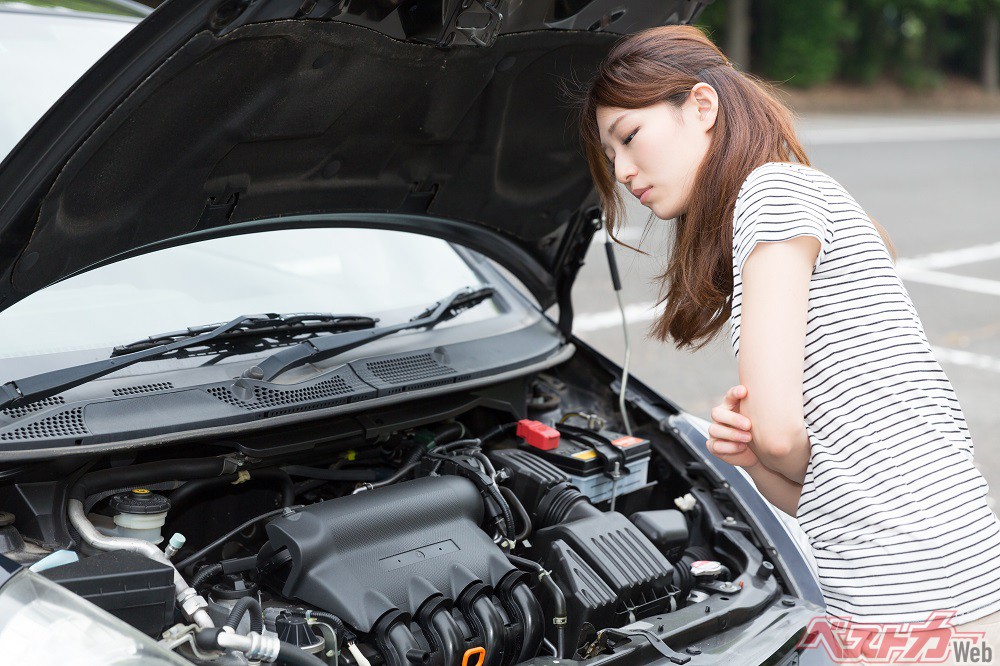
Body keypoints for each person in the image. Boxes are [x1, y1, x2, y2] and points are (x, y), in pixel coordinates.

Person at [577, 23, 1000, 661]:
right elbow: (824, 489)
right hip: (948, 575)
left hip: (905, 594)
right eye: (612, 159)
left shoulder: (770, 195)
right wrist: (751, 463)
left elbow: (784, 438)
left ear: (702, 105)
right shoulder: (791, 194)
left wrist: (766, 449)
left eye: (629, 138)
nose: (625, 171)